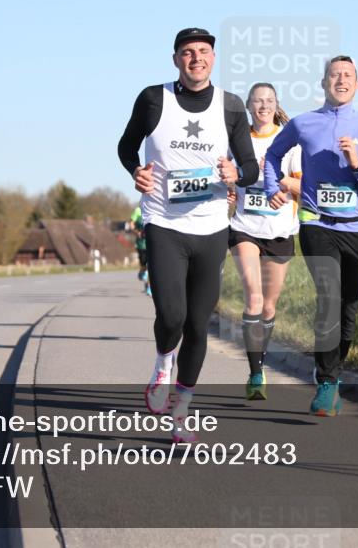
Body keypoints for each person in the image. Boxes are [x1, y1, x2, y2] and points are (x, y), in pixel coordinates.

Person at [117, 27, 258, 442]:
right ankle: (163, 363)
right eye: (187, 52)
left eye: (203, 51)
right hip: (164, 223)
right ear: (176, 59)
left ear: (213, 58)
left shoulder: (230, 107)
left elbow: (249, 166)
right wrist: (135, 171)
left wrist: (237, 172)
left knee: (199, 323)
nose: (196, 58)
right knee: (172, 316)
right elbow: (127, 146)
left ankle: (181, 412)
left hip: (212, 226)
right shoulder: (153, 98)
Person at [264, 55, 358, 417]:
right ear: (323, 83)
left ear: (357, 85)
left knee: (349, 308)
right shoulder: (304, 124)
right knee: (328, 295)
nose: (340, 80)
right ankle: (325, 381)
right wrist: (274, 186)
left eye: (348, 75)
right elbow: (273, 154)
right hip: (316, 224)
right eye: (334, 75)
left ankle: (333, 372)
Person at [227, 83, 302, 401]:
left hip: (281, 230)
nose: (263, 106)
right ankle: (256, 372)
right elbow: (227, 177)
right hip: (244, 227)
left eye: (269, 101)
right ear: (248, 106)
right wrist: (230, 184)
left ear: (276, 105)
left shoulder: (290, 141)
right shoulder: (237, 141)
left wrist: (281, 188)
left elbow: (304, 187)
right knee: (254, 300)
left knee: (270, 307)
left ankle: (261, 359)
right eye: (258, 101)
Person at [129, 205, 151, 295]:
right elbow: (131, 224)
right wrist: (136, 232)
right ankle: (142, 271)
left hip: (152, 243)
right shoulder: (138, 210)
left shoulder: (154, 208)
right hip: (141, 244)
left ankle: (149, 287)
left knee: (151, 266)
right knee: (144, 265)